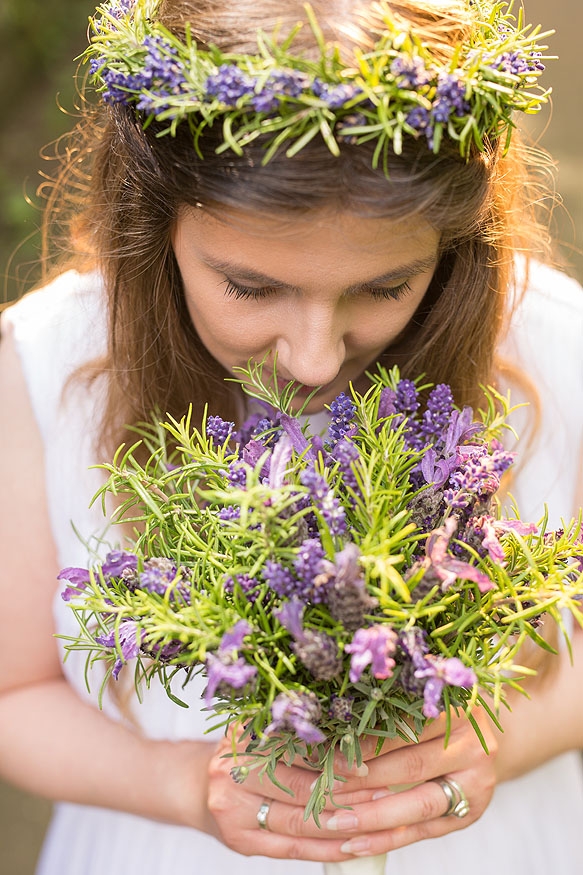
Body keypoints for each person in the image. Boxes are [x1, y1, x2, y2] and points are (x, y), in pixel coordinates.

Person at [1, 0, 583, 872]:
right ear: (152, 225)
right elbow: (12, 691)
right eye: (249, 287)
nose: (313, 357)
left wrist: (497, 739)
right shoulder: (44, 367)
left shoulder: (552, 346)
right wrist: (189, 785)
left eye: (383, 287)